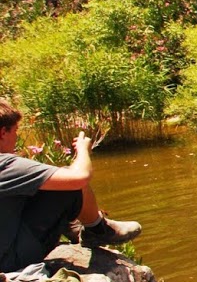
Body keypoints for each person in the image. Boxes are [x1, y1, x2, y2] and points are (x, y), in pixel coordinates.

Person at [0, 99, 141, 272]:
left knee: (43, 184)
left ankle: (77, 227)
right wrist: (82, 150)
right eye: (15, 131)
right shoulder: (4, 164)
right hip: (10, 261)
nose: (17, 137)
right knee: (68, 183)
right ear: (2, 133)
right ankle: (97, 230)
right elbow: (79, 178)